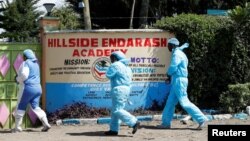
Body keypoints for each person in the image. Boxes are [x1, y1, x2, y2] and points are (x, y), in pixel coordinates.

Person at [158, 38, 207, 130]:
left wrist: (168, 74)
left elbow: (173, 67)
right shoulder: (180, 53)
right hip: (177, 80)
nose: (167, 47)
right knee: (170, 102)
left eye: (168, 45)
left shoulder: (177, 54)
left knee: (184, 102)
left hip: (179, 81)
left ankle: (201, 119)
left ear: (172, 45)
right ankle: (165, 123)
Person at [12, 49, 51, 133]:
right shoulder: (36, 64)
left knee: (21, 106)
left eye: (23, 55)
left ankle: (17, 128)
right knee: (35, 107)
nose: (22, 57)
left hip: (27, 88)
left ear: (26, 56)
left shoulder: (26, 63)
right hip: (38, 88)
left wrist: (17, 79)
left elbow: (24, 75)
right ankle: (46, 124)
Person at [104, 51, 140, 136]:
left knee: (117, 110)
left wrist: (108, 67)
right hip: (126, 89)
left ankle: (134, 122)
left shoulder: (116, 65)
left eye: (112, 58)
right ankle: (113, 130)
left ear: (116, 58)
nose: (111, 60)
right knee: (115, 110)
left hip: (118, 89)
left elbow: (108, 75)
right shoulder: (127, 67)